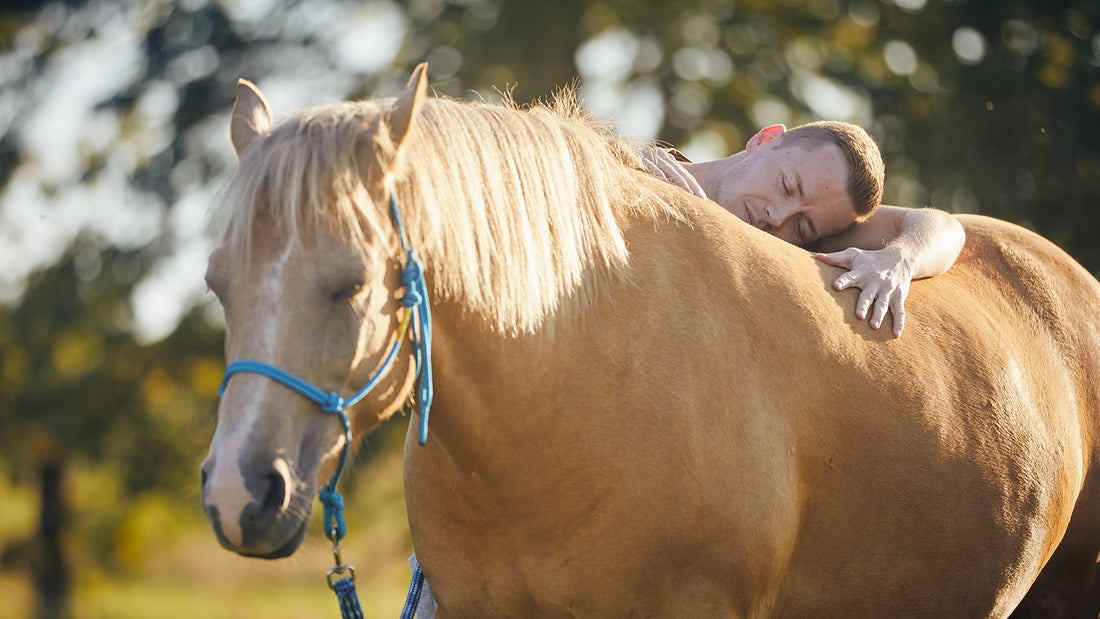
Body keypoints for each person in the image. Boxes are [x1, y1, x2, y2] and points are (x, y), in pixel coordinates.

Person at [641, 121, 965, 338]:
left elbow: (946, 227)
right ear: (763, 140)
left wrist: (901, 259)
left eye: (801, 226)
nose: (777, 217)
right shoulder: (631, 164)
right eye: (786, 185)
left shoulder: (818, 231)